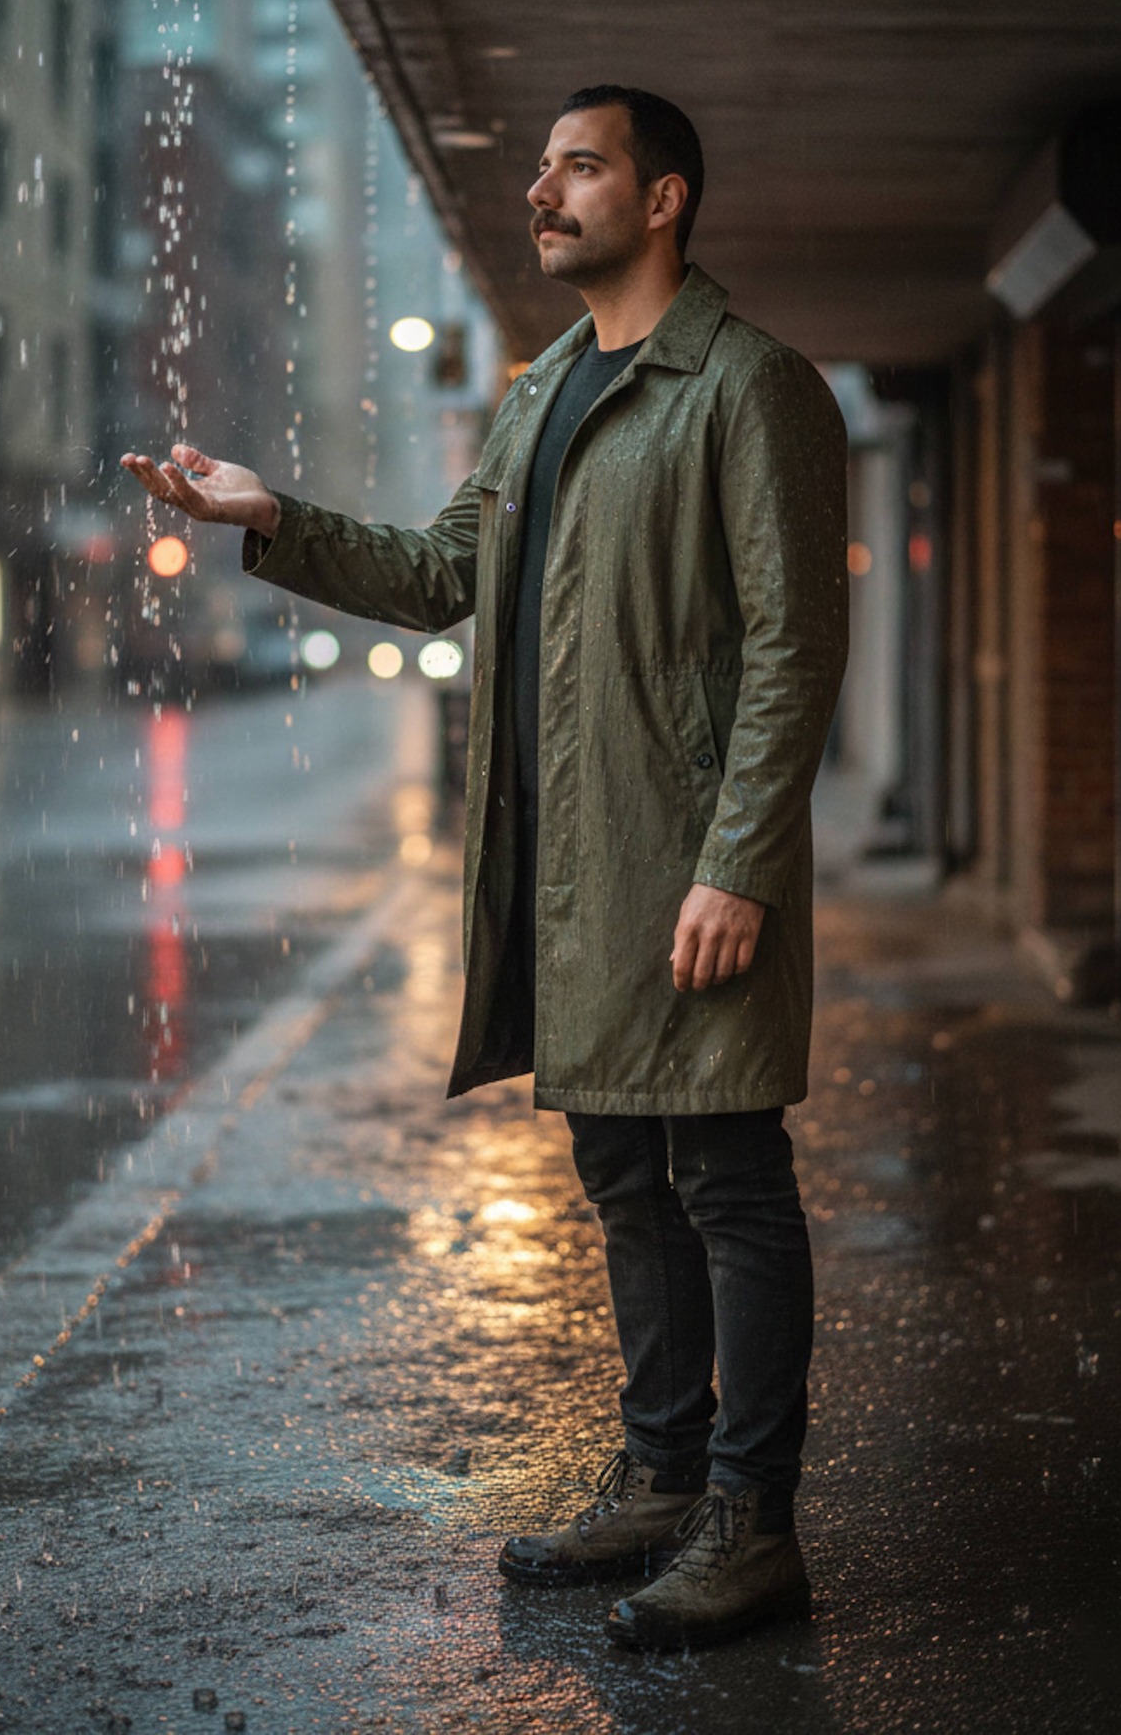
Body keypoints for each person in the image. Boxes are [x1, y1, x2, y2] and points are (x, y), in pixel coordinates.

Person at [122, 84, 848, 1653]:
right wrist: (273, 519)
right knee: (623, 1181)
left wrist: (739, 862)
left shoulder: (747, 385)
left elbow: (795, 646)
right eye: (540, 168)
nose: (544, 190)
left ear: (663, 200)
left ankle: (752, 1520)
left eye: (580, 166)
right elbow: (444, 574)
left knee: (726, 1180)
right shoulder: (536, 398)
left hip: (688, 872)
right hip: (572, 876)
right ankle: (661, 1480)